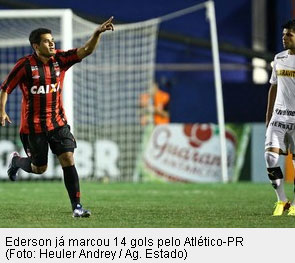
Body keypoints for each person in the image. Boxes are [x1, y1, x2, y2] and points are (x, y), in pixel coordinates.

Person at [0, 17, 114, 217]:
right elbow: (5, 88)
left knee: (68, 159)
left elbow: (85, 51)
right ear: (36, 46)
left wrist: (96, 34)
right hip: (33, 128)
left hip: (58, 123)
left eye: (52, 39)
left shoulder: (60, 60)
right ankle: (17, 161)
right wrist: (1, 110)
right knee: (40, 168)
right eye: (46, 41)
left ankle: (77, 207)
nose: (52, 43)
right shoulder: (25, 65)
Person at [265, 19, 295, 216]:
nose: (284, 38)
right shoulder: (278, 58)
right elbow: (273, 87)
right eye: (284, 34)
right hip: (278, 118)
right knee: (270, 157)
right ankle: (282, 200)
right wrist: (268, 116)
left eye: (289, 35)